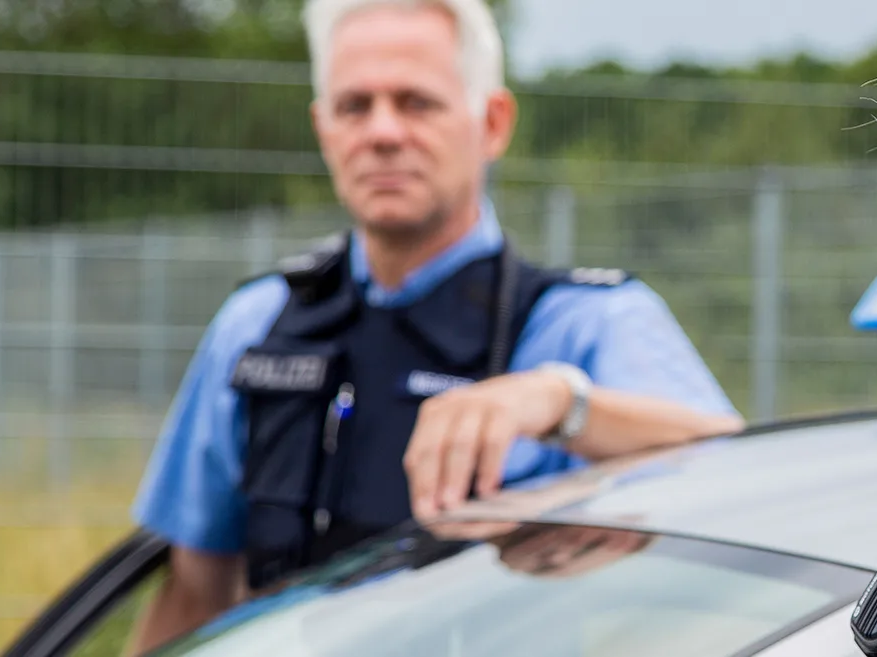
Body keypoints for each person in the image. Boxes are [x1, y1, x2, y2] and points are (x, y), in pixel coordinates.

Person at [124, 0, 744, 652]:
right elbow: (194, 592)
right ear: (322, 127)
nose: (383, 132)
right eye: (354, 106)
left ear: (493, 122)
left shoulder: (583, 323)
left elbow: (749, 477)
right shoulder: (257, 324)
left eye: (417, 102)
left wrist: (562, 402)